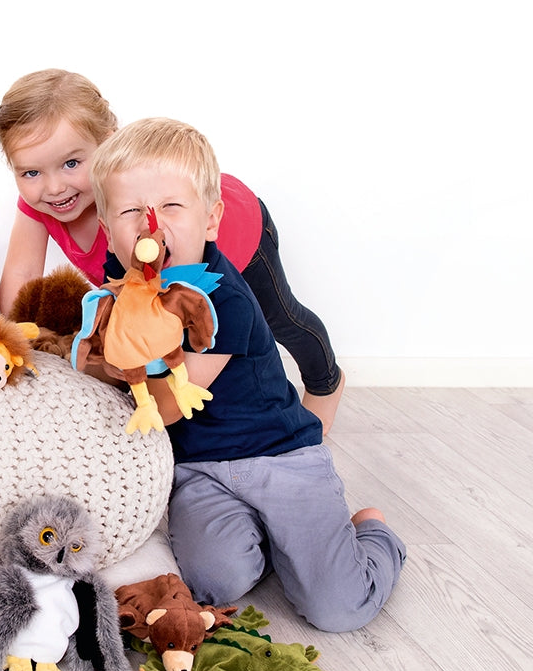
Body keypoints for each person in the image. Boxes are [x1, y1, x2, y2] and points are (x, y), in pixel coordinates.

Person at [81, 116, 404, 632]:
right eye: (129, 211)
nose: (150, 225)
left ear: (210, 221)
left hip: (281, 456)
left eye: (171, 206)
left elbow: (167, 405)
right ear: (107, 229)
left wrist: (111, 362)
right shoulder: (121, 291)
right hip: (199, 468)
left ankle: (373, 534)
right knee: (214, 583)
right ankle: (273, 538)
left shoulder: (221, 298)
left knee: (338, 608)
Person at [0, 69, 345, 434]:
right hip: (157, 274)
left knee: (276, 318)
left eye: (71, 164)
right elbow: (22, 276)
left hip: (235, 234)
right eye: (30, 173)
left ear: (109, 146)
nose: (53, 187)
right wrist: (17, 338)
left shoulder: (155, 211)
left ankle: (326, 382)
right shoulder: (40, 205)